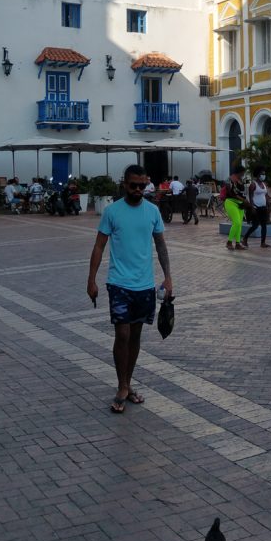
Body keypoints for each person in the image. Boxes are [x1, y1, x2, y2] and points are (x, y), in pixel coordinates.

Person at [87, 164, 173, 414]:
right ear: (124, 184)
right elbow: (99, 246)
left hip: (144, 284)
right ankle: (121, 385)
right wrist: (91, 280)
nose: (138, 189)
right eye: (133, 185)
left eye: (142, 185)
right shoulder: (112, 211)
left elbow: (161, 246)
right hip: (119, 283)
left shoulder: (153, 211)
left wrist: (168, 278)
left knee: (135, 336)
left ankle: (128, 383)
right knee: (122, 334)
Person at [242, 168, 271, 248]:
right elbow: (250, 197)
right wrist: (252, 207)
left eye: (264, 174)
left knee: (264, 225)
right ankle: (245, 238)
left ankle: (263, 243)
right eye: (262, 174)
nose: (263, 176)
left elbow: (266, 195)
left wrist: (269, 205)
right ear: (258, 175)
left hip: (263, 207)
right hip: (256, 207)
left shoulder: (264, 184)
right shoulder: (253, 185)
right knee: (255, 225)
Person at [223, 168, 247, 251]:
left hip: (240, 204)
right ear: (238, 172)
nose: (243, 175)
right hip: (231, 203)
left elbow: (242, 192)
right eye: (242, 173)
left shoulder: (241, 180)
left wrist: (244, 201)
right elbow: (231, 192)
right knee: (236, 223)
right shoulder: (229, 180)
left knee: (239, 224)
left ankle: (237, 243)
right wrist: (243, 200)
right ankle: (229, 242)